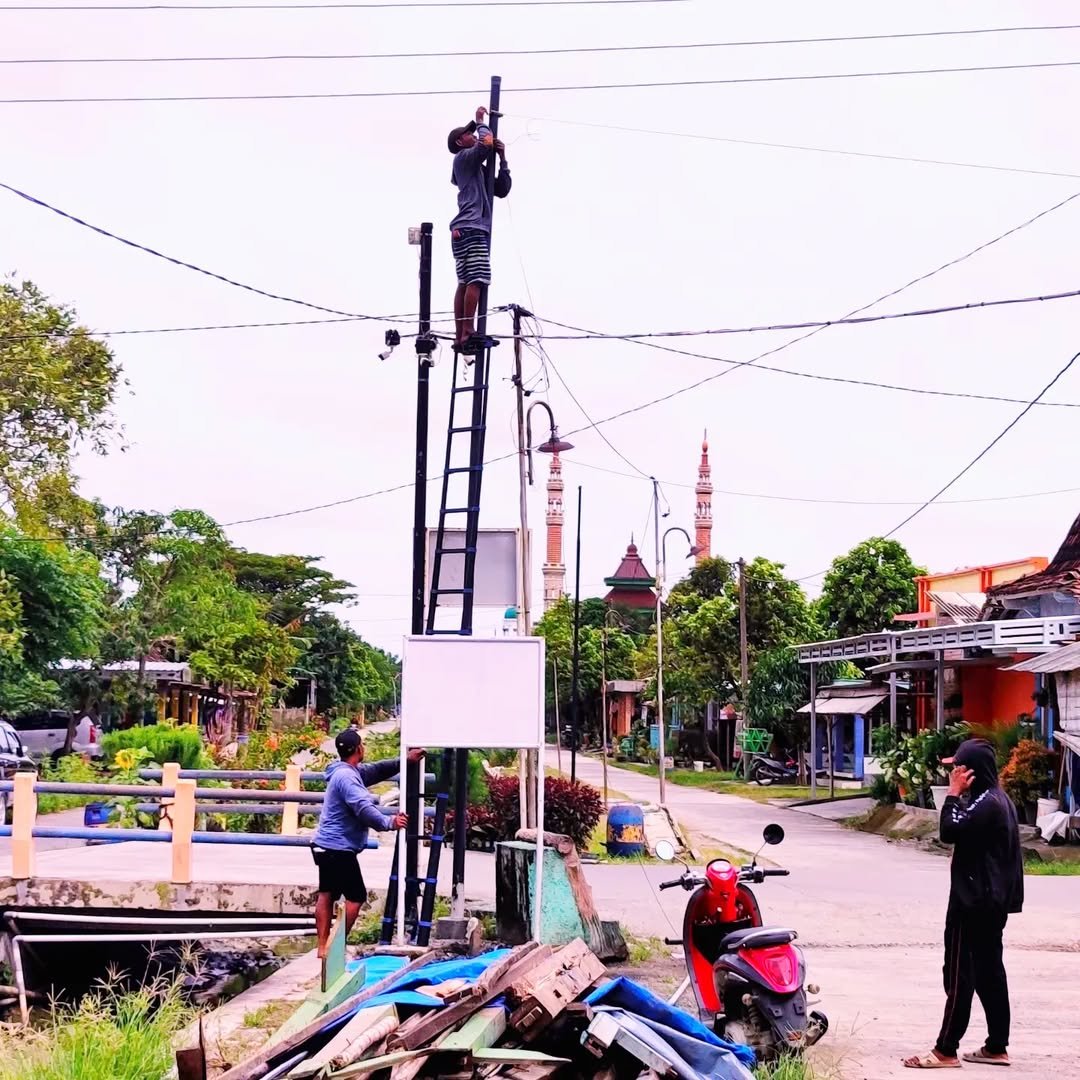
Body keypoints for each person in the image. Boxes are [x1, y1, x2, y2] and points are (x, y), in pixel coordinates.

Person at [903, 738, 1023, 1070]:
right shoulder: (997, 799)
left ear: (970, 772)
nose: (952, 774)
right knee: (988, 973)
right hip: (990, 901)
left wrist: (953, 794)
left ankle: (945, 1050)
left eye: (957, 769)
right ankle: (996, 1046)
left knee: (959, 974)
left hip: (973, 903)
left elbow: (948, 831)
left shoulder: (987, 804)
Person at [310, 728, 427, 958]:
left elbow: (375, 771)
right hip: (338, 848)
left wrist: (404, 761)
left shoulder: (344, 771)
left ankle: (323, 947)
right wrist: (389, 822)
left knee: (327, 893)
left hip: (325, 845)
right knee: (356, 897)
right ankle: (334, 948)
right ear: (358, 749)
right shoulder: (347, 778)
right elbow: (363, 808)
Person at [447, 104, 511, 353]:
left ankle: (461, 335)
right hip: (472, 226)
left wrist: (503, 159)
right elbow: (485, 143)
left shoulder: (474, 167)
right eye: (468, 133)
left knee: (464, 281)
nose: (472, 134)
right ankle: (467, 332)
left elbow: (501, 190)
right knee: (477, 278)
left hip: (465, 228)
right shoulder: (463, 158)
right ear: (460, 143)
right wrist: (480, 120)